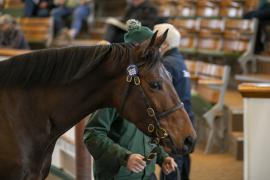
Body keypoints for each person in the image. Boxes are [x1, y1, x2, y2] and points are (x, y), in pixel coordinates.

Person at [84, 20, 177, 180]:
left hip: (147, 175)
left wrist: (162, 157)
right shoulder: (113, 90)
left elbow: (149, 133)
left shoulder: (148, 89)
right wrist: (125, 157)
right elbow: (92, 134)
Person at [153, 23, 194, 180]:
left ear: (165, 44)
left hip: (175, 125)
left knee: (171, 168)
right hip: (186, 120)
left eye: (155, 41)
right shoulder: (178, 60)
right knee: (182, 166)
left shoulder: (166, 64)